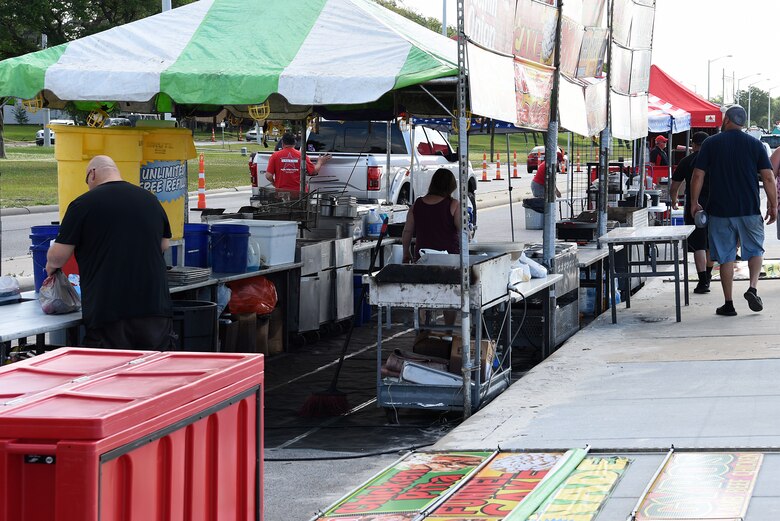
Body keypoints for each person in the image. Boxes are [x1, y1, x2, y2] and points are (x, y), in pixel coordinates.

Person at [45, 155, 174, 348]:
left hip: (109, 308)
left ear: (93, 174)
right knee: (152, 371)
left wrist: (50, 267)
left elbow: (58, 256)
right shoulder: (150, 200)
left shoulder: (83, 204)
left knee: (112, 371)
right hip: (154, 306)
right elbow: (164, 244)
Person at [690, 105, 778, 316]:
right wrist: (773, 205)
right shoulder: (755, 144)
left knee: (726, 256)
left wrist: (694, 202)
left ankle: (729, 304)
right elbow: (768, 177)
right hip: (749, 209)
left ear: (727, 120)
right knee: (756, 249)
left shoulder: (711, 144)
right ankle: (752, 287)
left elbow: (697, 175)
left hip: (719, 211)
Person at [670, 131, 714, 294]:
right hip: (714, 206)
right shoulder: (714, 160)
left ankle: (703, 281)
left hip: (694, 207)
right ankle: (708, 276)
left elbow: (674, 186)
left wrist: (674, 200)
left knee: (698, 245)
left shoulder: (686, 161)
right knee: (710, 244)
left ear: (693, 145)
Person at [401, 168, 461, 263]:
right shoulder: (454, 205)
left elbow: (407, 231)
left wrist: (406, 252)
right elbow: (463, 230)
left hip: (423, 258)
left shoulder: (417, 204)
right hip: (449, 258)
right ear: (451, 186)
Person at [265, 133, 331, 192]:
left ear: (282, 143)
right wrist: (320, 162)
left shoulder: (275, 156)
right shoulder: (302, 155)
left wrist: (274, 183)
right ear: (295, 143)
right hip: (300, 193)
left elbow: (268, 176)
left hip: (281, 192)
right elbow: (313, 171)